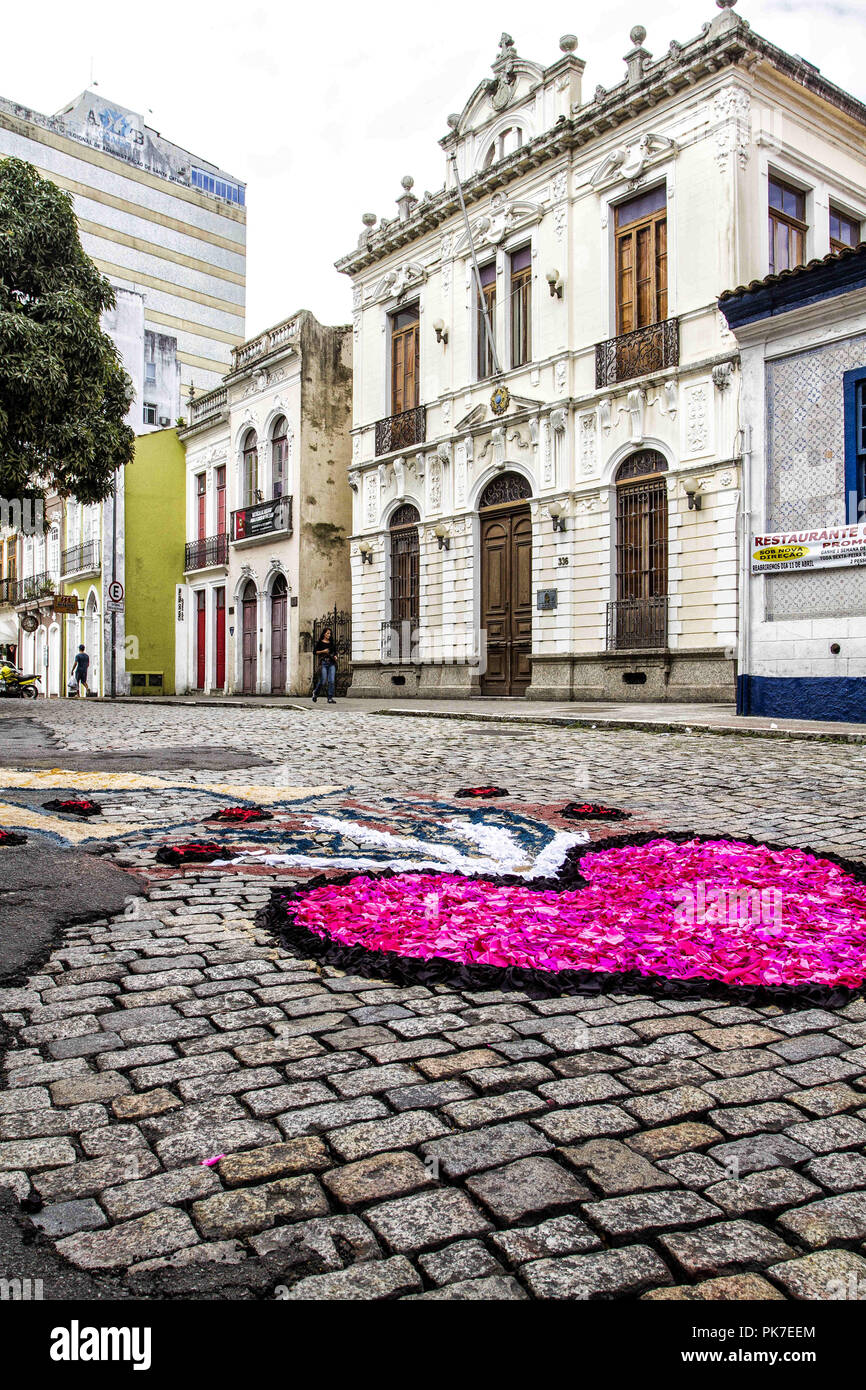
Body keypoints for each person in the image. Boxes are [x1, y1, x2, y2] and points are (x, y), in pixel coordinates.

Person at [311, 627, 337, 704]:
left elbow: (335, 652)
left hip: (331, 663)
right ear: (324, 634)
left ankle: (330, 698)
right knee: (323, 681)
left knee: (331, 681)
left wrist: (335, 656)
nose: (329, 635)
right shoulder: (320, 642)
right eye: (328, 633)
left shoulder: (331, 643)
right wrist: (323, 651)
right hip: (323, 663)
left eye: (330, 633)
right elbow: (315, 652)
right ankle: (315, 693)